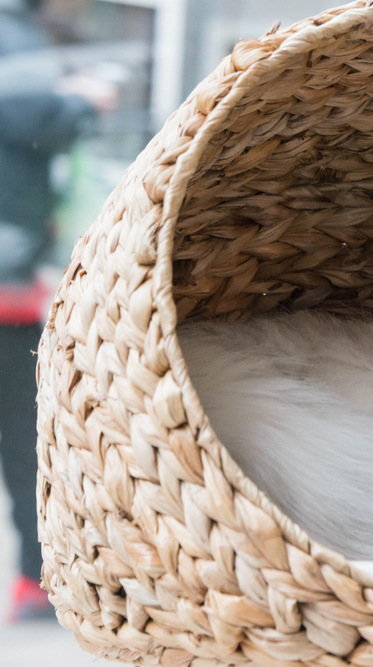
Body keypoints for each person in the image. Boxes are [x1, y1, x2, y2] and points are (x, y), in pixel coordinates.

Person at [0, 0, 114, 623]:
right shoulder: (13, 36)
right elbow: (25, 113)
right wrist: (80, 100)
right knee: (26, 439)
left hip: (11, 281)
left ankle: (34, 581)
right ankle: (32, 582)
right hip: (7, 289)